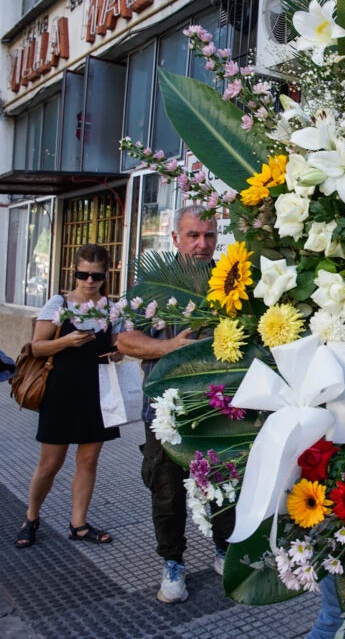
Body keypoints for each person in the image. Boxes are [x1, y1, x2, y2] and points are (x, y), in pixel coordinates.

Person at [116, 205, 234, 603]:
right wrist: (169, 347)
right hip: (165, 415)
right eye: (193, 235)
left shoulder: (234, 282)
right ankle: (173, 565)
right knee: (167, 492)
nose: (203, 244)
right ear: (175, 239)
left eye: (210, 235)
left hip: (222, 412)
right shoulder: (151, 286)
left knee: (225, 484)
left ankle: (225, 551)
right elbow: (125, 340)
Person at [14, 244, 120, 548]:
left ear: (105, 275)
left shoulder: (110, 308)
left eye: (96, 276)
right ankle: (31, 517)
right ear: (73, 272)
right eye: (82, 274)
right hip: (61, 391)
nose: (89, 281)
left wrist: (117, 354)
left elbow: (114, 347)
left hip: (96, 392)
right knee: (50, 463)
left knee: (88, 460)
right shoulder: (58, 303)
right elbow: (36, 347)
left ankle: (79, 524)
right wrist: (67, 341)